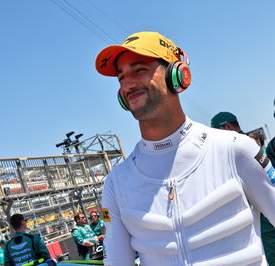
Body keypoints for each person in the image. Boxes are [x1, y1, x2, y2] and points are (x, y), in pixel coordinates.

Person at [95, 31, 275, 265]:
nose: (127, 83)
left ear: (177, 74)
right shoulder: (116, 184)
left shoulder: (236, 150)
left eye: (139, 70)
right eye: (121, 77)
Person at [211, 112, 275, 265]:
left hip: (264, 222)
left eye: (216, 131)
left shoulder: (236, 150)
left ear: (227, 126)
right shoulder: (260, 146)